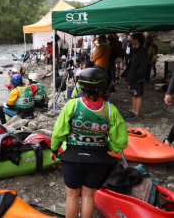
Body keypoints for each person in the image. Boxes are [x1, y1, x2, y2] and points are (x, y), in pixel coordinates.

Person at [50, 68, 128, 218]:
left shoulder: (72, 105)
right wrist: (108, 147)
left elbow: (59, 131)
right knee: (88, 197)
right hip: (98, 159)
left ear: (80, 86)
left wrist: (54, 150)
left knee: (72, 196)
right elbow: (121, 140)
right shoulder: (110, 110)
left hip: (72, 158)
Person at [123, 33, 148, 122]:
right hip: (133, 76)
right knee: (134, 94)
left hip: (138, 77)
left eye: (132, 39)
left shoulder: (143, 50)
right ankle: (133, 112)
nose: (130, 40)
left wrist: (137, 75)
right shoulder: (135, 50)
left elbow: (143, 66)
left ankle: (137, 114)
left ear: (137, 40)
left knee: (138, 95)